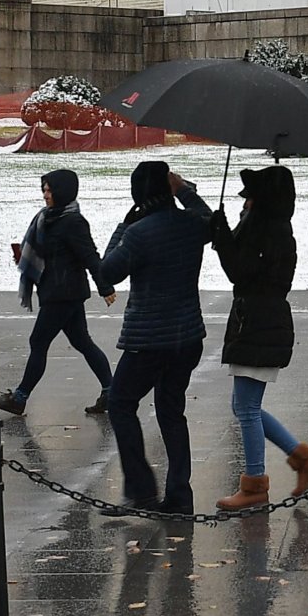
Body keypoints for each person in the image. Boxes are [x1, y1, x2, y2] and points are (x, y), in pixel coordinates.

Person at [95, 161, 214, 515]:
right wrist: (186, 191)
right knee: (171, 411)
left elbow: (107, 272)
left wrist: (123, 225)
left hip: (149, 338)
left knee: (120, 403)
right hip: (188, 335)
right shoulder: (192, 225)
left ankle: (141, 489)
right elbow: (209, 220)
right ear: (169, 187)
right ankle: (179, 495)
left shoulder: (139, 232)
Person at [209, 163, 308, 512]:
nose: (243, 205)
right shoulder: (270, 228)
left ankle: (255, 484)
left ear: (262, 202)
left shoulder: (269, 232)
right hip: (258, 321)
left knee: (245, 408)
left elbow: (240, 271)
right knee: (244, 406)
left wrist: (222, 236)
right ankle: (303, 459)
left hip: (259, 324)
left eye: (248, 200)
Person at [0, 167, 114, 418]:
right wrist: (25, 258)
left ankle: (20, 398)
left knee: (38, 341)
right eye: (44, 190)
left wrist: (105, 287)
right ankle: (111, 392)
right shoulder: (47, 217)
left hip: (63, 293)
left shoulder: (73, 222)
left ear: (63, 191)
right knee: (82, 342)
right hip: (56, 290)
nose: (45, 195)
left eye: (49, 190)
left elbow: (89, 255)